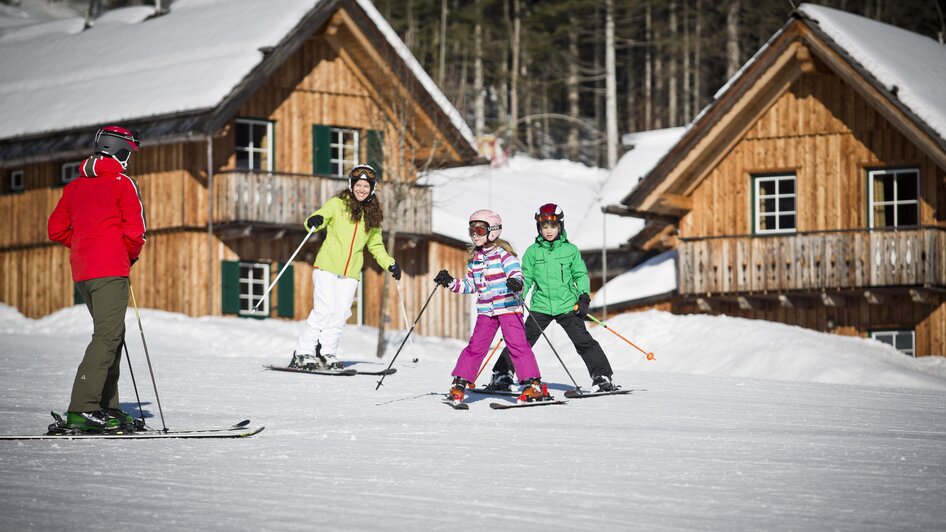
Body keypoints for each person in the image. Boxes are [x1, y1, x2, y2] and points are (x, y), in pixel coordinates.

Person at [47, 125, 147, 431]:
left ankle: (105, 405)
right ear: (118, 151)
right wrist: (124, 253)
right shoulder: (122, 183)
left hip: (83, 272)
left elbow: (56, 229)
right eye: (127, 153)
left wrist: (86, 244)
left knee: (111, 334)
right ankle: (83, 408)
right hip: (111, 270)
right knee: (107, 336)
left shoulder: (74, 187)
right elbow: (136, 232)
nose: (129, 159)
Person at [485, 203, 619, 393]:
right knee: (520, 341)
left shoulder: (570, 250)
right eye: (544, 227)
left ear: (560, 227)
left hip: (567, 305)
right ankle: (502, 374)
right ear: (539, 228)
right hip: (541, 306)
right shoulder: (532, 252)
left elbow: (580, 275)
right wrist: (517, 299)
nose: (548, 231)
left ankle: (602, 377)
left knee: (583, 341)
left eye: (553, 227)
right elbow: (527, 278)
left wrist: (583, 298)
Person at [433, 209, 551, 405]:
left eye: (479, 230)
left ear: (493, 231)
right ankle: (460, 382)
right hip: (486, 311)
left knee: (517, 346)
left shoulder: (505, 256)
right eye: (471, 230)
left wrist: (515, 283)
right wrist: (451, 282)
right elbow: (471, 285)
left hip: (508, 308)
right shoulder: (475, 260)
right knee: (476, 347)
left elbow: (517, 275)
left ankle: (534, 384)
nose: (474, 234)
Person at [290, 164, 401, 370]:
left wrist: (390, 264)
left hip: (351, 272)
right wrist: (314, 220)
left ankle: (326, 352)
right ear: (351, 185)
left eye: (366, 186)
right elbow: (319, 218)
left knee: (341, 313)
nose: (361, 189)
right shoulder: (337, 204)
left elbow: (376, 246)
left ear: (372, 188)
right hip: (328, 265)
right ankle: (303, 352)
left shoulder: (373, 216)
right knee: (323, 310)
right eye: (358, 185)